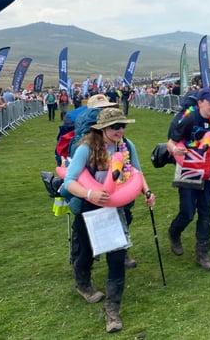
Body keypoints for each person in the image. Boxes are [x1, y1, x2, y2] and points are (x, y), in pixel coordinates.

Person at [62, 107, 155, 333]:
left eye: (123, 125)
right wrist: (89, 194)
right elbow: (69, 181)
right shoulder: (86, 148)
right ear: (102, 128)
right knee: (86, 253)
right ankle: (83, 283)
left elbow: (137, 173)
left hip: (115, 209)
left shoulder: (127, 146)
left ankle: (112, 310)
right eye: (115, 126)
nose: (120, 130)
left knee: (116, 259)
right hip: (89, 208)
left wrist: (147, 193)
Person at [167, 87, 210, 271]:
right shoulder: (190, 118)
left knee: (206, 211)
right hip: (188, 169)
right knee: (188, 212)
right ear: (200, 103)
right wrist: (175, 150)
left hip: (207, 172)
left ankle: (202, 253)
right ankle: (174, 232)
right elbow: (171, 141)